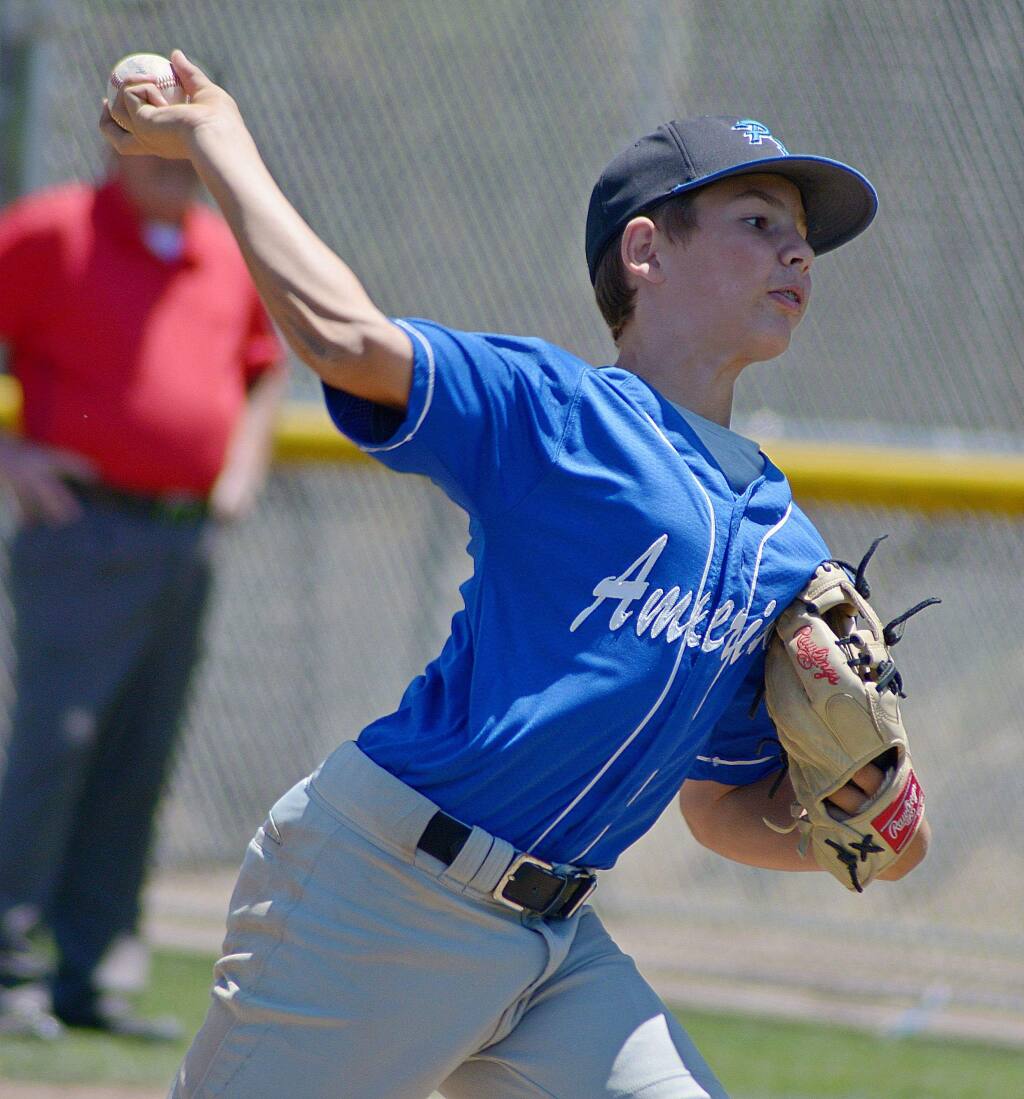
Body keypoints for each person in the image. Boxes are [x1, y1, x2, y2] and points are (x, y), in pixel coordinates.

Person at [103, 54, 930, 1097]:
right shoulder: (555, 413)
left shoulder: (785, 538)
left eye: (802, 234)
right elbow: (344, 338)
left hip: (552, 951)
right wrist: (217, 134)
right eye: (758, 219)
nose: (798, 248)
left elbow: (719, 807)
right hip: (381, 897)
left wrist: (851, 815)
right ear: (645, 250)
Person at [0, 147, 286, 1039]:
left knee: (139, 752)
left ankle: (94, 975)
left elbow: (263, 367)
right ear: (115, 143)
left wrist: (243, 465)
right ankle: (8, 967)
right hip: (82, 525)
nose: (179, 165)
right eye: (157, 143)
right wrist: (10, 456)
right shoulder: (54, 231)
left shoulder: (218, 247)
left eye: (191, 144)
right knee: (61, 740)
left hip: (183, 536)